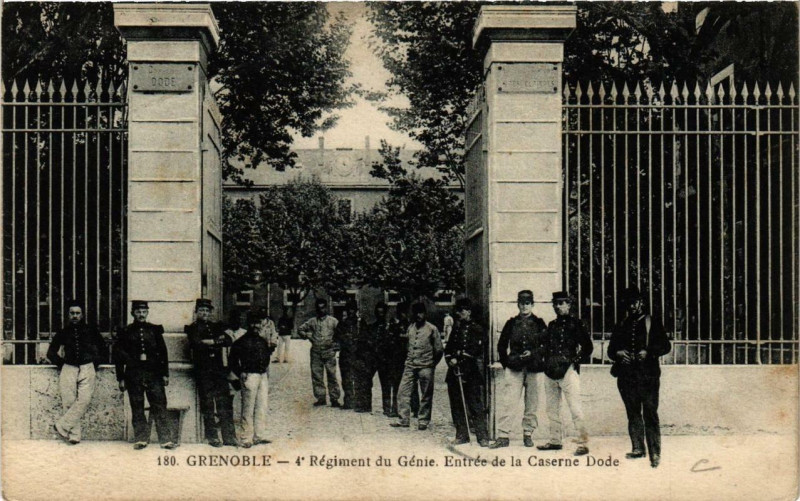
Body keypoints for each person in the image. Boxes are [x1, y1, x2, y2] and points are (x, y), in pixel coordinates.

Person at [608, 287, 671, 468]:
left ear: (641, 302)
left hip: (648, 376)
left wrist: (649, 352)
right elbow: (611, 350)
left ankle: (655, 452)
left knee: (650, 412)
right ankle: (637, 448)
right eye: (628, 303)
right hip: (627, 376)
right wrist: (619, 353)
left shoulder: (653, 322)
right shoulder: (622, 324)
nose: (632, 306)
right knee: (633, 412)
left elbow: (666, 346)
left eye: (634, 302)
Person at [490, 290, 548, 449]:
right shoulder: (511, 323)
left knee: (532, 403)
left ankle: (528, 433)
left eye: (527, 303)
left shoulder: (539, 323)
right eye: (522, 303)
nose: (524, 306)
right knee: (509, 402)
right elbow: (501, 346)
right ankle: (503, 436)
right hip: (514, 368)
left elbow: (547, 345)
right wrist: (507, 363)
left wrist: (533, 353)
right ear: (518, 304)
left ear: (532, 304)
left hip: (534, 368)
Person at [537, 291, 593, 456]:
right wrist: (544, 362)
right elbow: (544, 346)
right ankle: (555, 441)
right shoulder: (551, 325)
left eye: (562, 303)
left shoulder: (576, 324)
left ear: (569, 305)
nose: (558, 306)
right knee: (551, 409)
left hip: (568, 371)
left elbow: (588, 347)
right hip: (550, 371)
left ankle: (583, 443)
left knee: (575, 408)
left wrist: (575, 361)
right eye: (556, 303)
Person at [115, 300, 176, 450]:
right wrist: (121, 378)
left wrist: (165, 374)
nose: (141, 315)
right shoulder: (126, 331)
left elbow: (163, 353)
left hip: (154, 373)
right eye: (138, 312)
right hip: (133, 374)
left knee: (160, 405)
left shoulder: (155, 330)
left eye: (144, 312)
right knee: (137, 406)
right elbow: (119, 356)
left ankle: (165, 439)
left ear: (147, 312)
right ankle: (141, 439)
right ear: (133, 313)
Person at [47, 300, 106, 445]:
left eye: (77, 313)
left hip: (87, 367)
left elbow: (103, 348)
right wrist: (63, 364)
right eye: (72, 313)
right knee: (69, 401)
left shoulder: (91, 330)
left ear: (82, 315)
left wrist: (94, 363)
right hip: (69, 368)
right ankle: (74, 435)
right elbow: (51, 352)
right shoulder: (63, 332)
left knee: (84, 400)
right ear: (68, 315)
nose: (75, 316)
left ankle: (62, 426)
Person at [184, 298, 237, 447]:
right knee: (207, 404)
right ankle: (212, 437)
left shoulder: (216, 326)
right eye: (201, 310)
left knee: (224, 403)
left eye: (207, 311)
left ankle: (229, 437)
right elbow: (197, 343)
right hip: (203, 371)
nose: (204, 313)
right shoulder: (192, 328)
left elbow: (228, 340)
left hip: (219, 370)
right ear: (196, 312)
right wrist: (216, 340)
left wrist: (212, 341)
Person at [390, 302, 443, 431]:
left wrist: (432, 364)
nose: (418, 315)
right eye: (416, 313)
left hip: (426, 366)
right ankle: (403, 419)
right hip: (410, 365)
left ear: (425, 314)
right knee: (402, 392)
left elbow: (439, 350)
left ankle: (423, 420)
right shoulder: (411, 328)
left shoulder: (432, 329)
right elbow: (408, 346)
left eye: (421, 313)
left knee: (426, 394)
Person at [445, 298, 489, 447]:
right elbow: (448, 349)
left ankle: (482, 437)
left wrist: (458, 359)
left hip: (470, 372)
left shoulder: (477, 329)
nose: (459, 313)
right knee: (457, 405)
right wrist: (450, 360)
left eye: (462, 311)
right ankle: (462, 435)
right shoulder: (456, 329)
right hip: (454, 373)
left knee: (475, 405)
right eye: (458, 311)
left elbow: (475, 350)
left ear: (469, 312)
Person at [229, 310, 277, 448]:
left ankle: (259, 435)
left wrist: (265, 371)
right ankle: (246, 438)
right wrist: (240, 373)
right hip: (249, 376)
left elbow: (267, 357)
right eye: (253, 323)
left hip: (262, 376)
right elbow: (232, 361)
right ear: (248, 324)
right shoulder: (241, 342)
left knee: (262, 406)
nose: (256, 326)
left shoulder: (262, 341)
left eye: (258, 323)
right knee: (248, 408)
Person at [297, 298, 341, 407]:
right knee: (317, 375)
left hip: (329, 352)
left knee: (332, 375)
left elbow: (340, 333)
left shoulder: (333, 321)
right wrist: (307, 335)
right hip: (316, 352)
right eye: (319, 308)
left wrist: (336, 346)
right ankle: (320, 398)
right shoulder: (312, 321)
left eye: (323, 308)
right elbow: (300, 329)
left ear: (326, 308)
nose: (321, 310)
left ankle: (334, 398)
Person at [373, 302, 404, 416]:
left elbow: (399, 343)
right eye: (378, 313)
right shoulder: (377, 327)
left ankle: (395, 408)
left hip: (395, 361)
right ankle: (386, 408)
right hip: (383, 361)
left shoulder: (394, 325)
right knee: (385, 385)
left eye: (382, 313)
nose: (380, 315)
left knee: (396, 386)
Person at [351, 303, 381, 413]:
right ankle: (360, 404)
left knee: (366, 382)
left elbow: (368, 343)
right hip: (358, 357)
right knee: (359, 382)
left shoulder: (367, 329)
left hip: (367, 357)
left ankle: (367, 405)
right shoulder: (353, 327)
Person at [333, 299, 360, 410]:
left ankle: (358, 401)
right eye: (349, 310)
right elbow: (336, 337)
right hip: (345, 355)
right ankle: (348, 400)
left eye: (353, 309)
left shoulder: (360, 323)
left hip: (358, 354)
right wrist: (344, 339)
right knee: (346, 378)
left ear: (356, 310)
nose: (351, 312)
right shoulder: (342, 324)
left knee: (358, 378)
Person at [394, 301, 419, 418]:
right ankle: (398, 409)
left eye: (404, 312)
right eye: (400, 313)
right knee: (399, 384)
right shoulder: (396, 325)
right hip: (398, 357)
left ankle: (415, 408)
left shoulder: (412, 326)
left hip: (408, 357)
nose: (402, 315)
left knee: (412, 384)